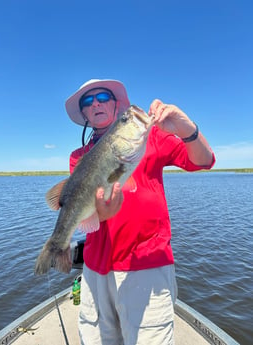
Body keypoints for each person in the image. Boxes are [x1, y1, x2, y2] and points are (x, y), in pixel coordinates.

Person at [65, 79, 215, 345]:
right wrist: (103, 211)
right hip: (94, 268)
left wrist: (186, 128)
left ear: (115, 103)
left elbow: (204, 160)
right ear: (85, 114)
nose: (96, 103)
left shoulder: (151, 136)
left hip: (145, 264)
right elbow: (90, 213)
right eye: (88, 102)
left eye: (102, 97)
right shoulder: (79, 157)